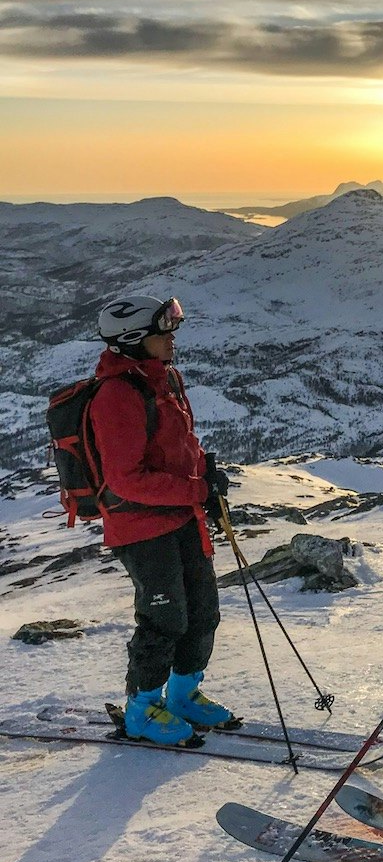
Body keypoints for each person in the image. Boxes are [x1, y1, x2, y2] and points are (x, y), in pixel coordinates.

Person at [89, 294, 235, 746]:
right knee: (164, 618)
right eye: (163, 331)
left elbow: (182, 441)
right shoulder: (116, 396)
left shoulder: (166, 378)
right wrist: (197, 491)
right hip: (141, 527)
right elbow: (125, 479)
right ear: (134, 339)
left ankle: (183, 695)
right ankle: (142, 709)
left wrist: (206, 474)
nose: (173, 338)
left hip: (181, 516)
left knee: (203, 611)